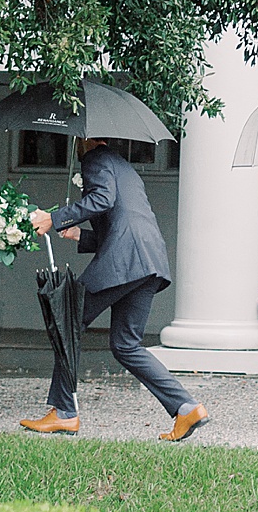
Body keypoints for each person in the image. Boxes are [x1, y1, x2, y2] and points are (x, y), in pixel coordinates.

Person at [19, 138, 209, 443]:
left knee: (67, 322)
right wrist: (81, 234)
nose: (75, 144)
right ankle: (186, 407)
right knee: (126, 344)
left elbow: (103, 200)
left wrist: (53, 218)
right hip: (148, 262)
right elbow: (122, 223)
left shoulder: (95, 159)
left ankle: (64, 413)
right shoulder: (123, 167)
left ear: (86, 138)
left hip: (126, 261)